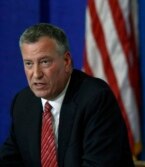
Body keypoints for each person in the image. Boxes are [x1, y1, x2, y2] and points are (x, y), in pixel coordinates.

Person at [0, 23, 134, 167]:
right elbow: (9, 160)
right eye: (29, 64)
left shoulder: (95, 99)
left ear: (66, 61)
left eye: (44, 62)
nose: (36, 74)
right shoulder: (23, 102)